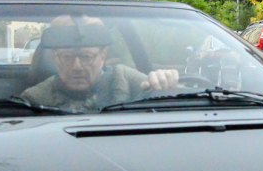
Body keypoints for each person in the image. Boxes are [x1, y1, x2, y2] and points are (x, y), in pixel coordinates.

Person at [20, 15, 179, 112]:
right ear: (55, 59)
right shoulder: (33, 99)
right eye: (67, 57)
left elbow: (169, 98)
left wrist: (164, 82)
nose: (77, 66)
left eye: (86, 57)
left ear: (102, 57)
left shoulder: (124, 77)